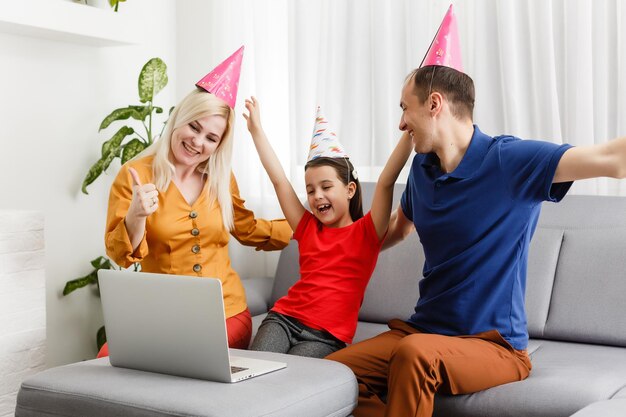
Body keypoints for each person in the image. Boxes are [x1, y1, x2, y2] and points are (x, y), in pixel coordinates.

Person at [326, 6, 626, 417]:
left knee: (415, 355)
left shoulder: (511, 161)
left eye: (404, 109)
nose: (400, 124)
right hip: (425, 330)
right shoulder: (423, 168)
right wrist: (353, 243)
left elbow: (614, 159)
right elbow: (397, 230)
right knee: (330, 376)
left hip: (494, 346)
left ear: (435, 103)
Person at [97, 47, 292, 358]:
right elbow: (122, 255)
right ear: (179, 120)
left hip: (225, 315)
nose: (198, 142)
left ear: (219, 145)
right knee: (106, 360)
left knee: (178, 359)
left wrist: (308, 227)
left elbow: (249, 229)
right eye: (194, 127)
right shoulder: (134, 175)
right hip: (160, 315)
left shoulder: (220, 178)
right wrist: (136, 215)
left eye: (211, 138)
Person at [243, 98, 413, 358]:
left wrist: (410, 133)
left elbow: (386, 181)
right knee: (258, 368)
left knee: (294, 381)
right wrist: (257, 131)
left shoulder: (367, 233)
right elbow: (279, 181)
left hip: (326, 336)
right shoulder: (306, 227)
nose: (317, 196)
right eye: (310, 190)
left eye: (326, 187)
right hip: (283, 319)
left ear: (350, 189)